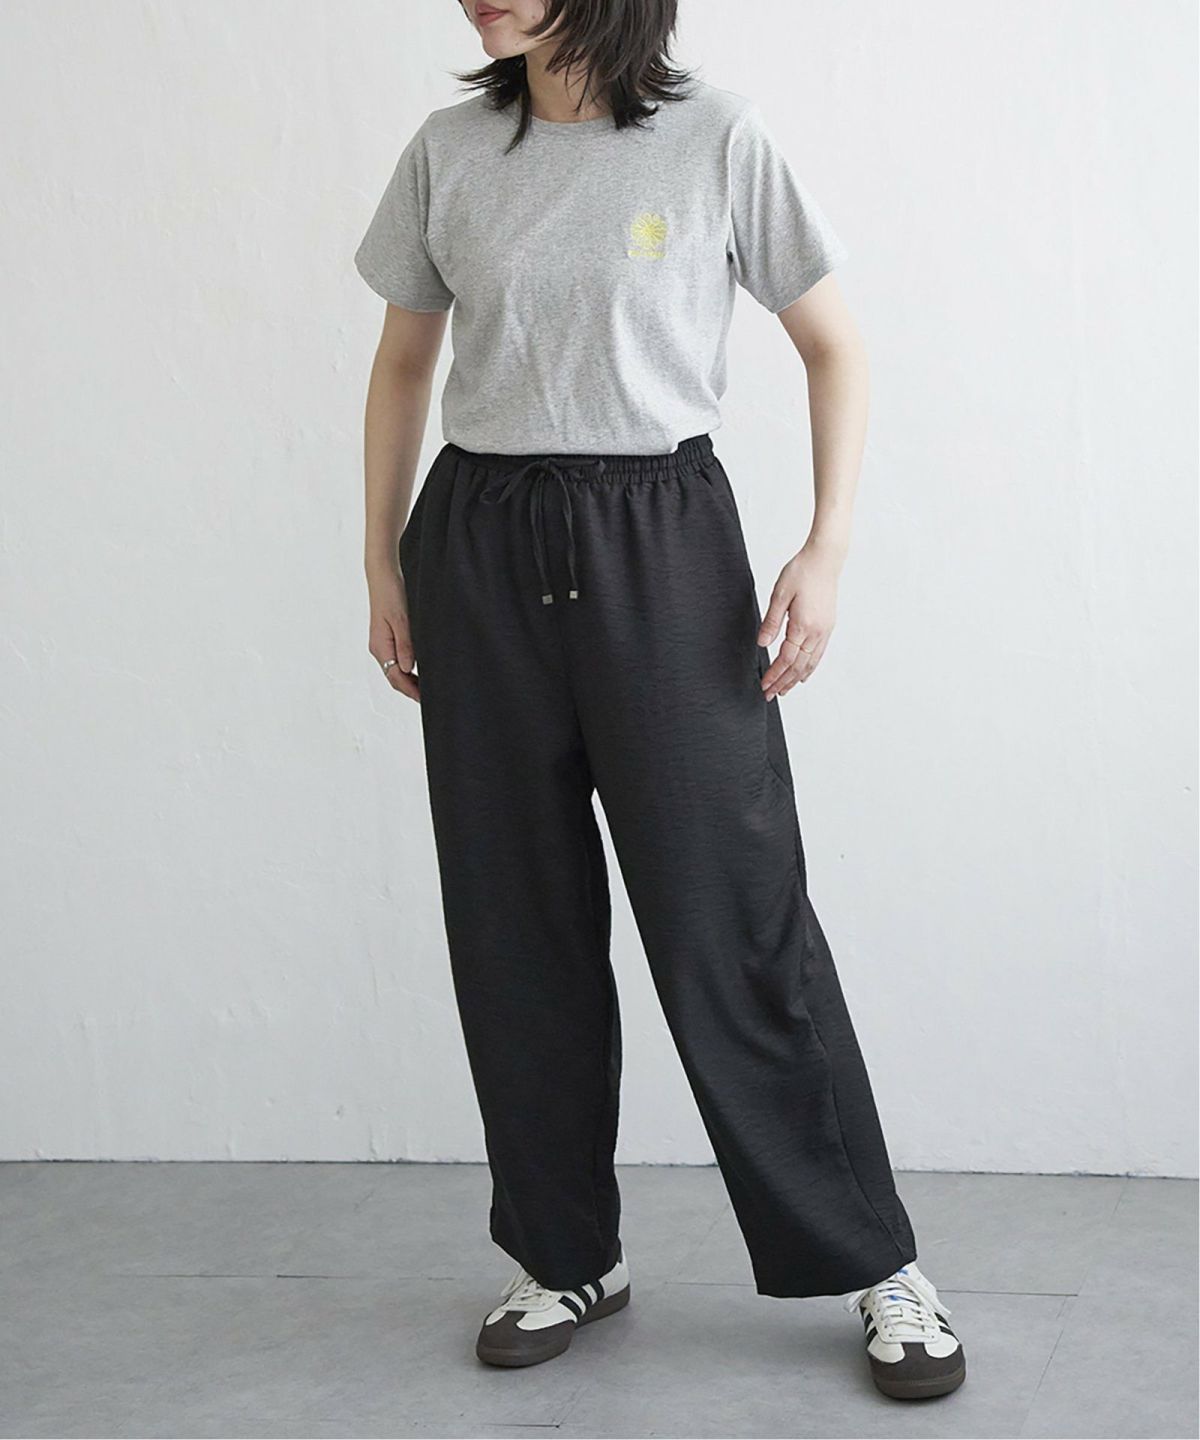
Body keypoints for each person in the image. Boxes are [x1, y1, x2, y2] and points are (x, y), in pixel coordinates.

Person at [354, 0, 966, 1402]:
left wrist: (826, 546)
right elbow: (403, 364)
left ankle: (875, 1260)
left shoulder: (716, 138)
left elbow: (835, 345)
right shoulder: (449, 149)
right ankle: (564, 1250)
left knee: (732, 913)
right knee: (515, 919)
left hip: (660, 541)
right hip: (478, 542)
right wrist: (382, 561)